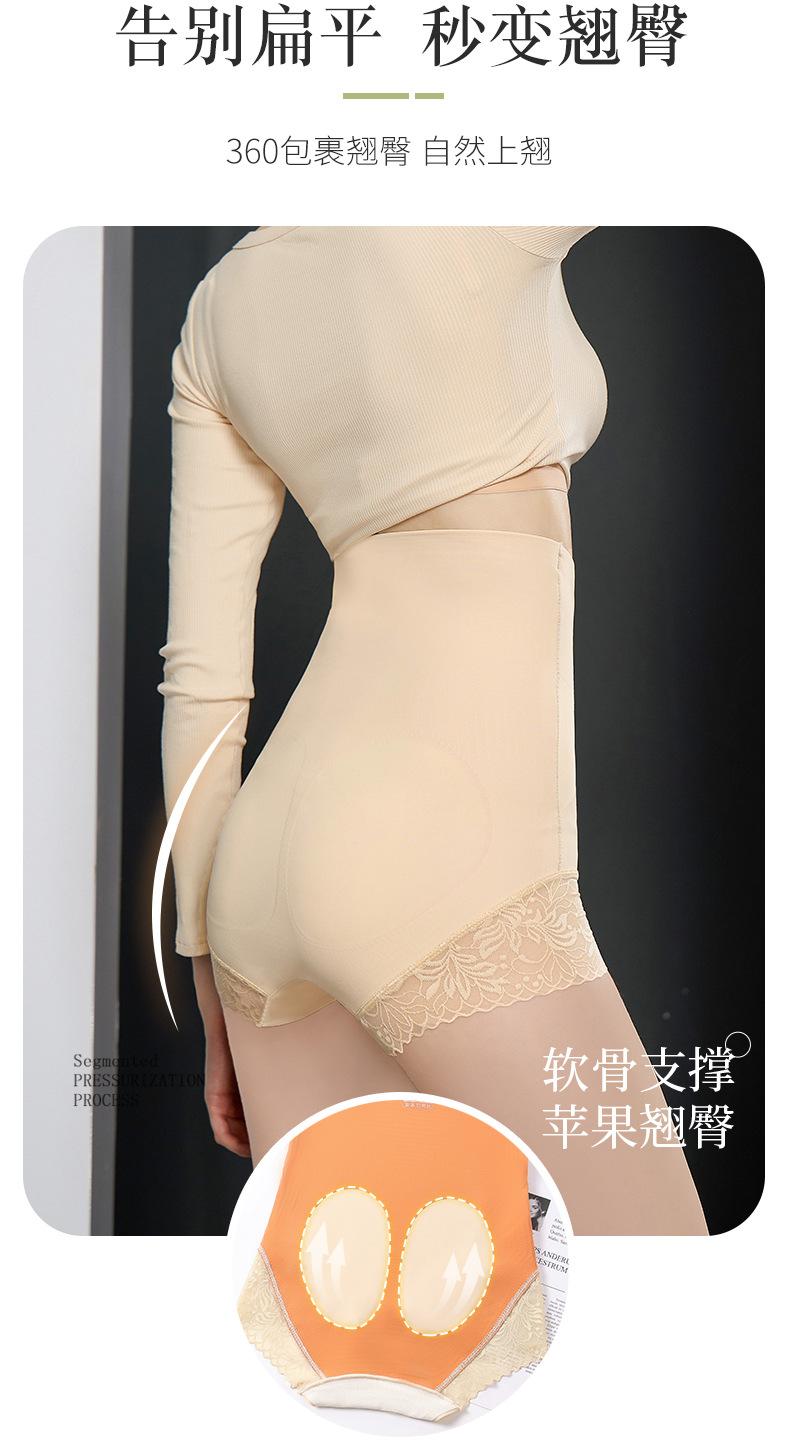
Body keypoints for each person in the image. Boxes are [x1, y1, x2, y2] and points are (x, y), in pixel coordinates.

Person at [159, 225, 707, 1234]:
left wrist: (209, 982)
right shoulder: (469, 209)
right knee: (668, 1299)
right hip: (441, 849)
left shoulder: (213, 315)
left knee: (392, 1321)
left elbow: (203, 686)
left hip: (257, 881)